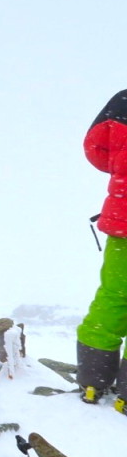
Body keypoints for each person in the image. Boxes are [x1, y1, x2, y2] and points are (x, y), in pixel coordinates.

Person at [78, 90, 127, 416]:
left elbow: (95, 150)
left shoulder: (124, 103)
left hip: (122, 222)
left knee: (113, 296)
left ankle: (93, 382)